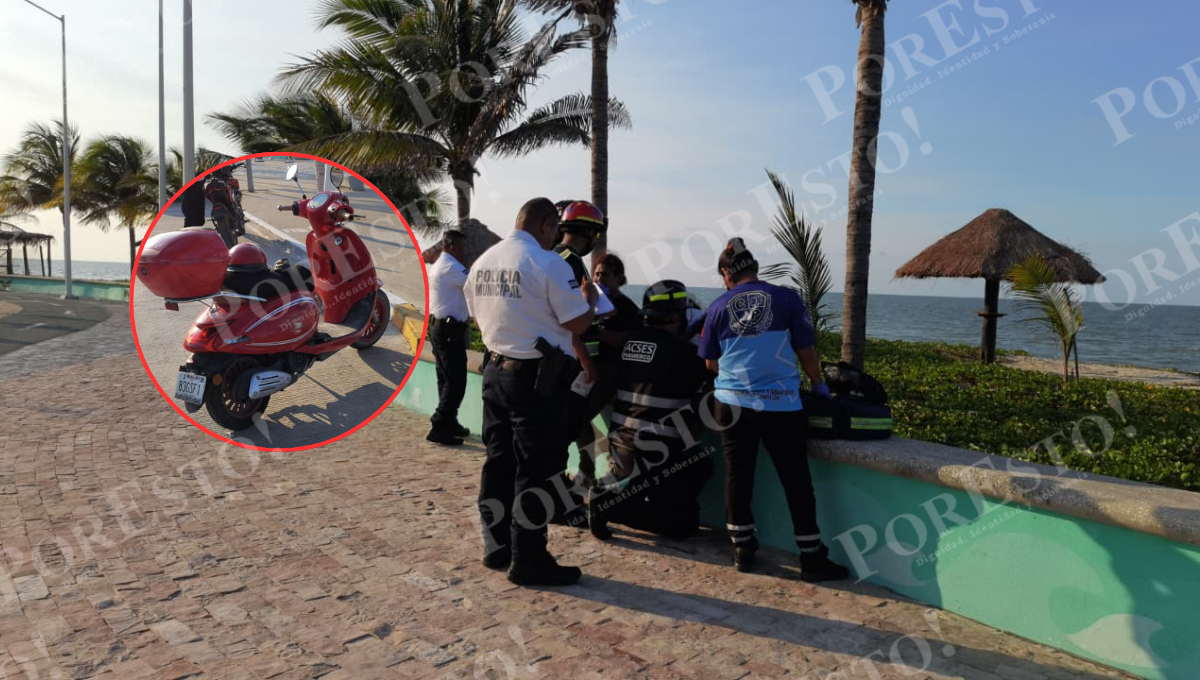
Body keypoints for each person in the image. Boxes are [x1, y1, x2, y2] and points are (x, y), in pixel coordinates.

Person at [464, 197, 599, 587]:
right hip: (536, 381)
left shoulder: (484, 261)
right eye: (555, 229)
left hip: (494, 372)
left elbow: (478, 314)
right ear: (545, 224)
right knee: (536, 469)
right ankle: (529, 558)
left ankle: (497, 546)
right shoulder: (549, 263)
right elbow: (577, 323)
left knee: (498, 462)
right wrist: (589, 300)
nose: (556, 236)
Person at [698, 238, 848, 582]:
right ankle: (812, 558)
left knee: (738, 476)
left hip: (732, 405)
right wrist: (819, 385)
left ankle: (743, 549)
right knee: (795, 479)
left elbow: (709, 362)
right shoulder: (787, 299)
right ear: (755, 269)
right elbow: (806, 351)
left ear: (726, 273)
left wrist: (740, 379)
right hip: (781, 405)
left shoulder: (718, 307)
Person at [588, 280, 714, 541]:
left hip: (620, 442)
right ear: (675, 316)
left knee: (699, 466)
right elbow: (710, 381)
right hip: (657, 449)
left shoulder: (629, 343)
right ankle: (608, 505)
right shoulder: (683, 353)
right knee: (684, 526)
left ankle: (615, 497)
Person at [552, 200, 611, 485]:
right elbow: (569, 319)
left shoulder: (554, 257)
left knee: (570, 423)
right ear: (588, 233)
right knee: (565, 426)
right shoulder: (570, 262)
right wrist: (587, 362)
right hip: (573, 362)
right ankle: (557, 488)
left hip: (564, 359)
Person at [575, 253, 642, 484]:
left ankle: (587, 471)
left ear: (619, 278)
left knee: (579, 418)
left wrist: (597, 332)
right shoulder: (590, 303)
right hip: (588, 368)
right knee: (575, 418)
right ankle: (587, 468)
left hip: (610, 372)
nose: (598, 278)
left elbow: (628, 339)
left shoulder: (626, 307)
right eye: (596, 273)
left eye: (605, 274)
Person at [426, 230, 471, 446]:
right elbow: (475, 284)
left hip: (440, 329)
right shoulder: (452, 267)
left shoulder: (439, 264)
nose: (465, 252)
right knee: (456, 381)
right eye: (462, 248)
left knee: (445, 379)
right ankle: (440, 423)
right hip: (449, 331)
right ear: (452, 246)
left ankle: (449, 421)